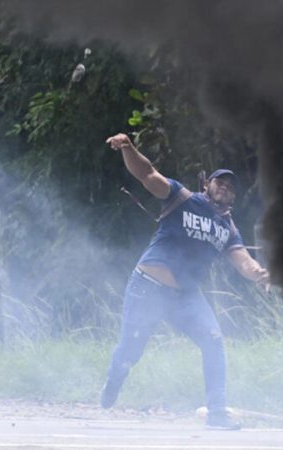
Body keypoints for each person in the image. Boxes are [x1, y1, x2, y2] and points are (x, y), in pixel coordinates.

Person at [100, 133, 269, 430]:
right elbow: (147, 174)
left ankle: (216, 413)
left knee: (214, 340)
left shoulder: (228, 228)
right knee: (131, 350)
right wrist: (127, 147)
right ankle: (115, 378)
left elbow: (242, 259)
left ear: (234, 197)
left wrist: (258, 272)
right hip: (148, 287)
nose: (225, 188)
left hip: (186, 298)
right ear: (207, 186)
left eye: (231, 187)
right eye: (220, 183)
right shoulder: (183, 198)